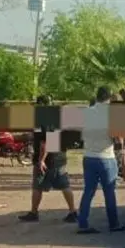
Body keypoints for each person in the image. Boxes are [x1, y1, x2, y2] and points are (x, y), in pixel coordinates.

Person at [19, 95, 78, 223]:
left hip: (47, 159)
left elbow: (45, 142)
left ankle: (34, 213)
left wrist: (41, 160)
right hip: (59, 157)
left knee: (38, 186)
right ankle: (73, 211)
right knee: (64, 185)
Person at [77, 86, 124, 234]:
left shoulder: (86, 112)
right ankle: (113, 224)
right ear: (110, 98)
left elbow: (81, 135)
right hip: (106, 157)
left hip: (88, 156)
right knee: (109, 192)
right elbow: (118, 139)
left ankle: (83, 223)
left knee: (88, 191)